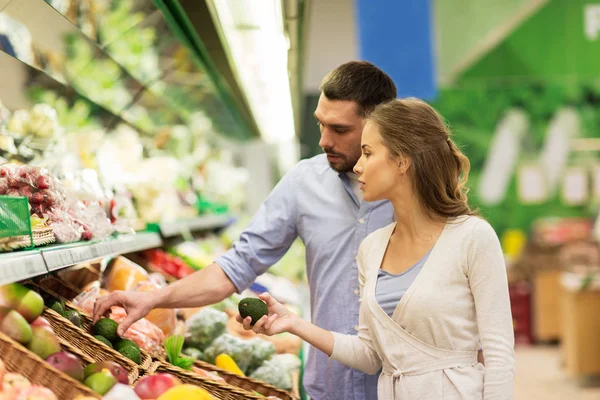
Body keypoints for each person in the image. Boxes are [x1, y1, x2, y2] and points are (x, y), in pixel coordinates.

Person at [93, 61, 398, 400]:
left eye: (339, 129)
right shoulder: (305, 183)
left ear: (379, 126)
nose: (324, 140)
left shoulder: (415, 193)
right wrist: (152, 298)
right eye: (320, 125)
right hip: (329, 388)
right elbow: (236, 267)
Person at [239, 98, 516, 399]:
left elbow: (499, 355)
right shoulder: (372, 249)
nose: (357, 166)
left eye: (368, 153)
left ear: (402, 160)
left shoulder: (473, 238)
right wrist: (294, 324)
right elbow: (371, 355)